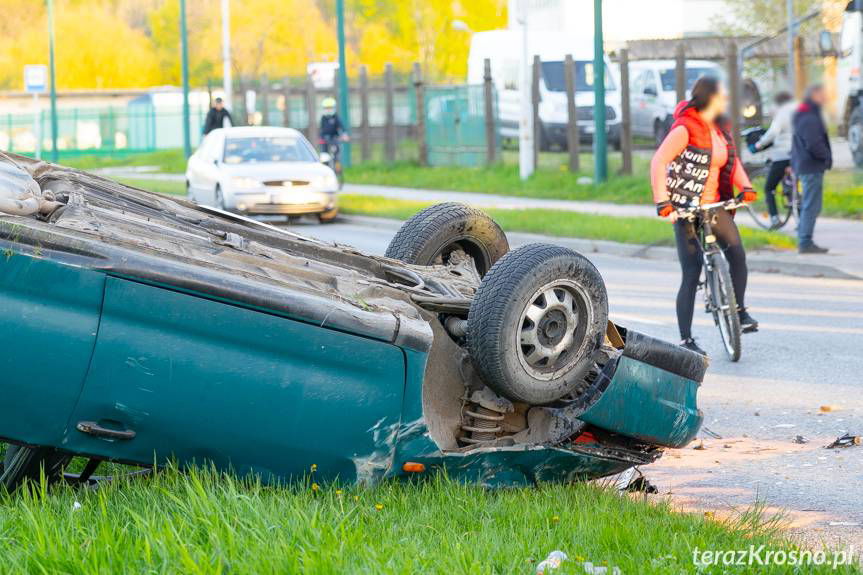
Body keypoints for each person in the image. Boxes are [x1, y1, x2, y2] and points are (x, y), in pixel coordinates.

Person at [650, 76, 759, 356]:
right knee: (692, 270)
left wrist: (746, 187)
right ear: (709, 97)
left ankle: (739, 310)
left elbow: (732, 161)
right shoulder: (685, 128)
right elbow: (659, 161)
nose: (725, 99)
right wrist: (663, 201)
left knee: (737, 254)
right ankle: (686, 339)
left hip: (714, 204)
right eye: (722, 95)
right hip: (685, 207)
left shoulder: (720, 128)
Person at [791, 84, 832, 254]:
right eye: (823, 93)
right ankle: (805, 241)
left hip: (806, 165)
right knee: (811, 205)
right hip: (811, 166)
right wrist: (825, 157)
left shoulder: (806, 113)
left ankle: (804, 237)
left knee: (811, 204)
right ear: (814, 94)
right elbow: (813, 143)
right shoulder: (809, 117)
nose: (826, 97)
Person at [750, 91, 795, 229]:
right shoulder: (798, 111)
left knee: (769, 188)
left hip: (782, 155)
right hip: (798, 153)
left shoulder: (782, 113)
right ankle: (796, 207)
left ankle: (775, 219)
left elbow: (773, 133)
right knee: (794, 184)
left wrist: (758, 145)